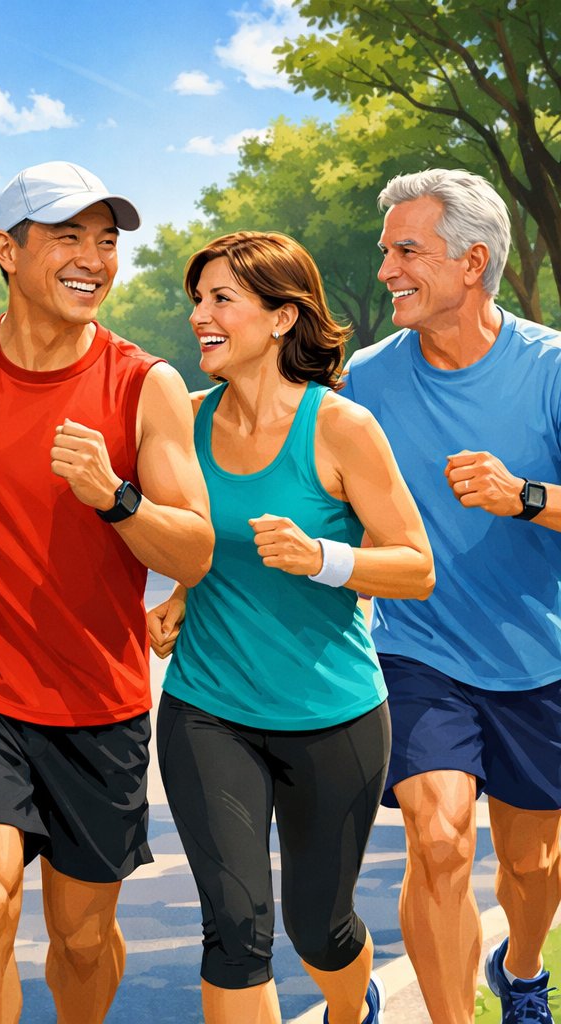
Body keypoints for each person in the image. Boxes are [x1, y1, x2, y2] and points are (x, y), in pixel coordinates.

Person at [0, 160, 213, 1024]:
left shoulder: (144, 384)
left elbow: (195, 547)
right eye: (69, 237)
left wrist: (115, 496)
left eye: (107, 241)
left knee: (84, 938)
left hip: (97, 697)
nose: (94, 259)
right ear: (7, 250)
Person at [147, 230, 434, 1024]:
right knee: (236, 930)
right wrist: (183, 593)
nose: (200, 316)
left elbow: (416, 567)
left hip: (333, 716)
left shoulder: (341, 427)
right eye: (197, 299)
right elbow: (193, 543)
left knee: (321, 927)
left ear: (281, 318)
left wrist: (323, 558)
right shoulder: (185, 424)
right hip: (208, 710)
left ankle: (351, 1008)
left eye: (222, 299)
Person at [339, 168, 561, 1024]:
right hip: (417, 650)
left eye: (407, 250)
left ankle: (523, 972)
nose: (386, 269)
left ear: (472, 262)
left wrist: (524, 496)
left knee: (533, 866)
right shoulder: (365, 381)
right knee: (437, 840)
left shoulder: (550, 368)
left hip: (539, 656)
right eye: (386, 249)